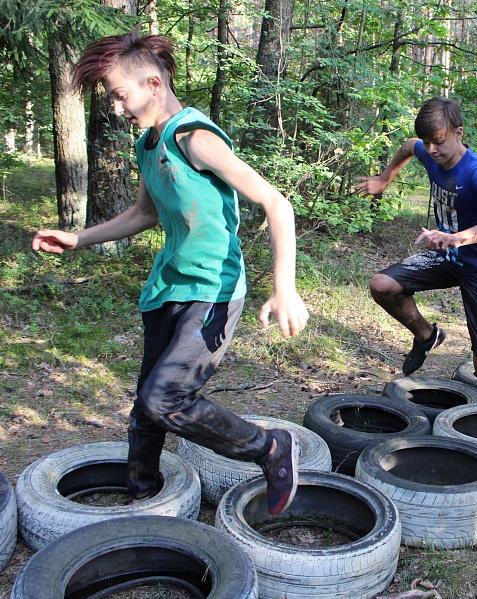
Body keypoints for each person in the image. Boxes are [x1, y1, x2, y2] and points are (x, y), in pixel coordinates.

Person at [31, 34, 310, 514]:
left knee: (166, 398)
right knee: (146, 405)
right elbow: (145, 214)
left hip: (213, 290)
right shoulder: (149, 142)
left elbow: (276, 202)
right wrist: (77, 238)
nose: (116, 108)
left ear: (154, 84)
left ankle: (269, 447)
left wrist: (284, 288)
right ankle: (142, 494)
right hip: (168, 287)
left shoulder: (194, 138)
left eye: (120, 96)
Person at [354, 97, 477, 442]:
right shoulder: (427, 150)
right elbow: (407, 146)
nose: (431, 150)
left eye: (438, 142)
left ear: (458, 132)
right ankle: (428, 336)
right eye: (427, 142)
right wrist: (383, 179)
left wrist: (458, 238)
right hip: (447, 256)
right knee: (382, 285)